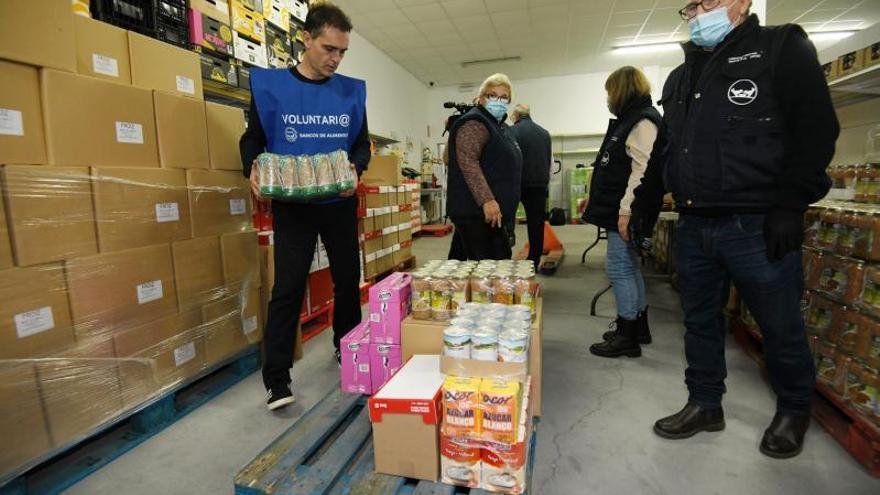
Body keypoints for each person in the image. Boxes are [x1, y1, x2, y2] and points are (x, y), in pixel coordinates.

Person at [630, 0, 839, 458]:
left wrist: (790, 203)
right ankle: (705, 402)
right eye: (694, 4)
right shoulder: (680, 76)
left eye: (713, 0)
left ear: (743, 2)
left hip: (757, 223)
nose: (702, 10)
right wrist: (645, 204)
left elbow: (818, 129)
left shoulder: (781, 47)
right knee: (700, 321)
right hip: (694, 223)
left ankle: (793, 409)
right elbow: (668, 149)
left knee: (779, 324)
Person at [239, 2, 371, 411]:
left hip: (337, 203)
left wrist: (356, 168)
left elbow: (362, 144)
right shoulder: (271, 88)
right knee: (288, 289)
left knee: (348, 281)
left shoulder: (350, 92)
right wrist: (252, 170)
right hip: (293, 207)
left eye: (342, 52)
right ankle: (277, 379)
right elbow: (252, 140)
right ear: (306, 39)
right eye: (329, 48)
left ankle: (346, 346)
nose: (335, 58)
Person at [583, 67, 661, 359]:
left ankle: (627, 335)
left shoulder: (642, 122)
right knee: (628, 266)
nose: (608, 98)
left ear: (620, 90)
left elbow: (642, 173)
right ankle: (637, 326)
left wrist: (627, 210)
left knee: (619, 268)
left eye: (609, 92)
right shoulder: (633, 120)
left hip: (626, 211)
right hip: (621, 209)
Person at [445, 74, 523, 261]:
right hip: (478, 212)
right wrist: (487, 200)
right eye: (492, 95)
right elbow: (468, 161)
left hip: (487, 212)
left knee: (460, 265)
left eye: (504, 97)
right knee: (494, 266)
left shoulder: (500, 126)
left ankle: (452, 290)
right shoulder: (475, 122)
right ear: (481, 98)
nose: (499, 101)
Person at [509, 104, 552, 270]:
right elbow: (550, 160)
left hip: (517, 183)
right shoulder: (544, 133)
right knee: (536, 223)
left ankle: (505, 255)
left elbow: (510, 159)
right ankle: (534, 259)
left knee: (508, 221)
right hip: (539, 184)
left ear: (516, 115)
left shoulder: (512, 131)